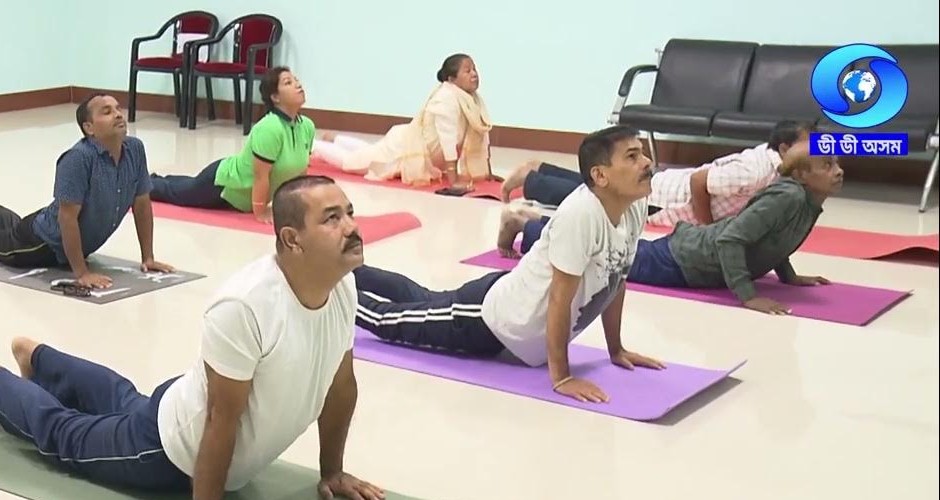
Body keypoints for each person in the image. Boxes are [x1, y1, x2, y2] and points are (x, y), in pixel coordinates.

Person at [0, 176, 384, 500]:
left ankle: (40, 358)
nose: (351, 227)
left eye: (349, 213)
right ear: (292, 239)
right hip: (169, 453)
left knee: (126, 401)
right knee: (67, 438)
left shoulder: (341, 284)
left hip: (183, 402)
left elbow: (340, 386)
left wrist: (333, 471)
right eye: (332, 219)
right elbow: (220, 417)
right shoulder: (245, 305)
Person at [355, 126, 665, 403]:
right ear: (600, 175)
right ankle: (337, 293)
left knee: (421, 298)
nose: (647, 163)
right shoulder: (581, 215)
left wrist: (616, 350)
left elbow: (616, 277)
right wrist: (562, 378)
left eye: (643, 154)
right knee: (389, 322)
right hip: (487, 322)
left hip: (504, 292)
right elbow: (560, 296)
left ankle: (354, 274)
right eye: (632, 156)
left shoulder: (634, 205)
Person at [0, 94, 173, 289]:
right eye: (107, 112)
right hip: (44, 243)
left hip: (46, 226)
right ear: (89, 128)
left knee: (13, 229)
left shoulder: (135, 149)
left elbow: (141, 203)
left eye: (118, 109)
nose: (118, 115)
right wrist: (81, 273)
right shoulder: (77, 158)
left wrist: (147, 257)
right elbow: (67, 218)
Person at [623, 145, 842, 315]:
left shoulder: (807, 202)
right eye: (827, 165)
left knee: (618, 252)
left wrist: (789, 277)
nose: (839, 171)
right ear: (801, 175)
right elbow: (729, 240)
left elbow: (776, 238)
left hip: (692, 255)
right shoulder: (788, 197)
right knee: (609, 261)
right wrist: (748, 297)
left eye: (836, 163)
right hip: (681, 259)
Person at [502, 120, 814, 224]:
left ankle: (538, 170)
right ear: (785, 150)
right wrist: (705, 227)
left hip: (666, 189)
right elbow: (699, 180)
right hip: (666, 197)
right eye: (809, 144)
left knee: (599, 184)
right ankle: (532, 180)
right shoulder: (756, 170)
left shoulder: (775, 166)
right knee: (594, 196)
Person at [149, 67, 316, 224]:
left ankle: (157, 179)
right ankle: (142, 183)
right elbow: (260, 176)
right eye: (288, 82)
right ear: (275, 97)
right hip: (225, 186)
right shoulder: (270, 128)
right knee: (177, 194)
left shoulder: (307, 126)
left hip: (241, 195)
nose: (298, 84)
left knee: (187, 186)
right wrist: (260, 212)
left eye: (296, 80)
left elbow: (300, 173)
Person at [311, 53, 498, 191]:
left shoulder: (472, 99)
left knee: (369, 152)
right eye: (467, 71)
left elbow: (482, 134)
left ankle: (336, 139)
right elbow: (447, 139)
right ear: (451, 79)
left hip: (406, 141)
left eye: (474, 69)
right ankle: (312, 144)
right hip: (403, 147)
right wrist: (453, 180)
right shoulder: (446, 98)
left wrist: (487, 172)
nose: (474, 74)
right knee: (352, 162)